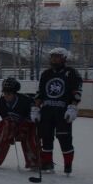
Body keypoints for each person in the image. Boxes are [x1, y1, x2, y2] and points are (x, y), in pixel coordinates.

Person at [34, 47, 83, 175]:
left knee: (64, 137)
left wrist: (73, 107)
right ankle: (47, 164)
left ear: (64, 58)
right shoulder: (46, 74)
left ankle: (67, 165)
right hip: (47, 111)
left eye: (57, 56)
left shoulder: (71, 73)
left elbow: (77, 93)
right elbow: (40, 94)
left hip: (62, 111)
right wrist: (36, 108)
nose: (54, 59)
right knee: (46, 138)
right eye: (52, 56)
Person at [0, 77, 40, 171]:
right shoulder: (0, 104)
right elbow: (6, 119)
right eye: (4, 93)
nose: (6, 96)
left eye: (9, 93)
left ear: (15, 93)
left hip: (28, 125)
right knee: (2, 127)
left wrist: (23, 129)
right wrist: (10, 132)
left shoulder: (26, 102)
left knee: (30, 135)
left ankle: (34, 160)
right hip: (14, 125)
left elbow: (33, 118)